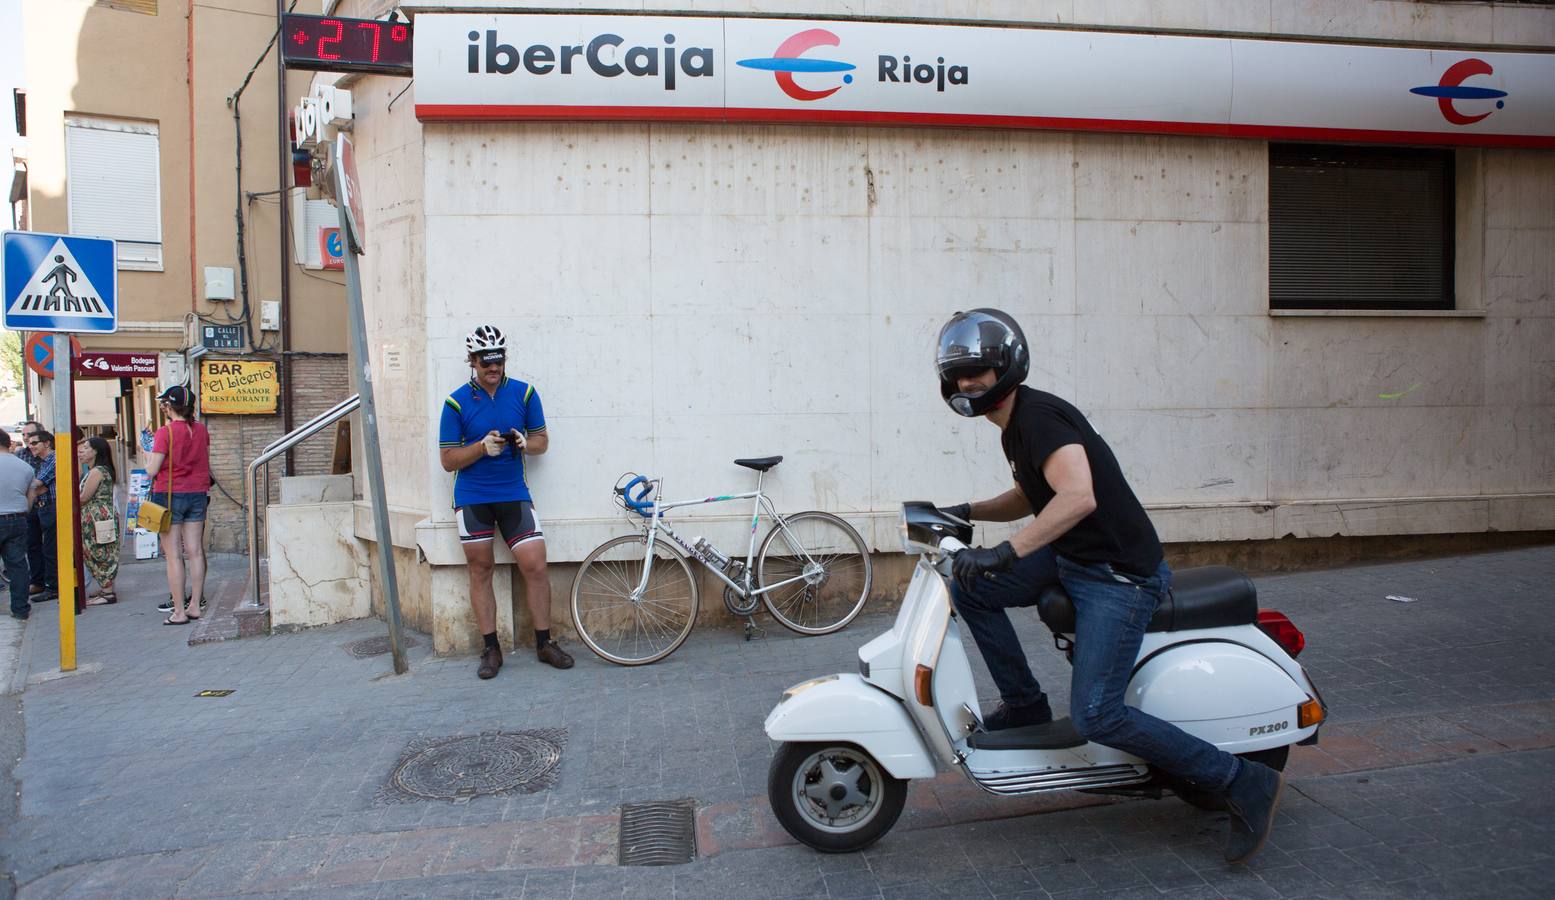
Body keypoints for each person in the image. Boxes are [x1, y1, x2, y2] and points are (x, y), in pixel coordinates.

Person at [932, 308, 1283, 865]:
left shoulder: (1040, 417)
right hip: (1074, 557)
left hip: (1118, 576)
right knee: (973, 589)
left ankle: (1242, 780)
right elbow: (1033, 494)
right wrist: (964, 511)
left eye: (977, 372)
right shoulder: (1017, 424)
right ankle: (1025, 704)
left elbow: (1077, 497)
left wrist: (1007, 550)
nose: (967, 384)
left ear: (1007, 367)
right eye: (958, 376)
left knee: (1097, 713)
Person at [438, 325, 573, 680]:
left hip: (514, 493)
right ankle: (491, 649)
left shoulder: (525, 393)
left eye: (497, 361)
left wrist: (525, 444)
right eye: (485, 362)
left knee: (535, 564)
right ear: (472, 361)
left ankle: (544, 642)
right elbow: (448, 460)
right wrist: (481, 448)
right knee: (481, 570)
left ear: (504, 359)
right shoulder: (455, 402)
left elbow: (542, 440)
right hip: (472, 498)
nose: (492, 368)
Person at [144, 386, 212, 626]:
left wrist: (147, 454)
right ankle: (195, 605)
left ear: (169, 406)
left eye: (164, 404)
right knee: (195, 551)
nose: (163, 408)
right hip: (197, 494)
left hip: (170, 495)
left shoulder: (165, 432)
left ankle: (179, 611)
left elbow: (152, 470)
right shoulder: (201, 430)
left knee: (173, 555)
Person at [78, 436, 120, 605]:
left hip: (97, 519)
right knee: (103, 549)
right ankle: (106, 589)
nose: (81, 450)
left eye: (86, 448)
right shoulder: (99, 469)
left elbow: (83, 498)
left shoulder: (97, 472)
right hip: (100, 518)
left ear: (95, 451)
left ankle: (108, 593)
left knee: (99, 551)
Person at [0, 430, 36, 620]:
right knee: (18, 565)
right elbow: (30, 496)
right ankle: (20, 609)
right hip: (17, 518)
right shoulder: (25, 467)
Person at [23, 428, 58, 602]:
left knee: (51, 549)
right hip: (43, 507)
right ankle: (47, 584)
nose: (31, 446)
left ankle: (53, 588)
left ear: (47, 443)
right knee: (44, 548)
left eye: (34, 443)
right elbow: (35, 487)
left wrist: (35, 488)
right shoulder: (42, 461)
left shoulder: (54, 458)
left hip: (52, 507)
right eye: (29, 443)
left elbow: (37, 484)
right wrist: (35, 488)